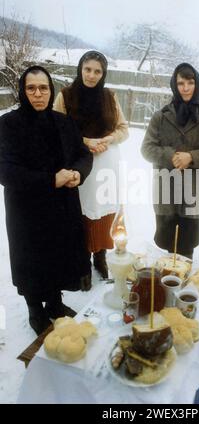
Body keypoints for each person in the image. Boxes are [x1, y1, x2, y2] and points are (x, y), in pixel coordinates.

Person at [0, 66, 93, 335]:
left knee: (58, 255)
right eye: (31, 88)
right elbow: (6, 171)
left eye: (43, 88)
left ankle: (54, 303)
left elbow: (83, 154)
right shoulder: (8, 125)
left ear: (51, 90)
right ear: (22, 91)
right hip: (26, 210)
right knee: (32, 260)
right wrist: (51, 180)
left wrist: (78, 172)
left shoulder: (63, 122)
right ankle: (35, 310)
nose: (38, 94)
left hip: (61, 208)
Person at [53, 51, 128, 278]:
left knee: (104, 213)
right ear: (80, 69)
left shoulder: (109, 97)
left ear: (103, 74)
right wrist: (85, 141)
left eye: (97, 71)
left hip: (106, 165)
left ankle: (101, 256)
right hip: (79, 167)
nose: (92, 75)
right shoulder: (65, 96)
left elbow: (123, 129)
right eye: (88, 69)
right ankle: (82, 262)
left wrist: (108, 139)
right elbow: (57, 130)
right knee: (81, 214)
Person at [141, 63, 199, 259]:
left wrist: (191, 157)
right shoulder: (160, 117)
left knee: (187, 243)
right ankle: (169, 283)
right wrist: (171, 156)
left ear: (197, 84)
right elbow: (146, 149)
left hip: (193, 188)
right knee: (168, 240)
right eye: (181, 83)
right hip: (166, 186)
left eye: (190, 82)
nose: (185, 88)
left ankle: (183, 280)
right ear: (174, 85)